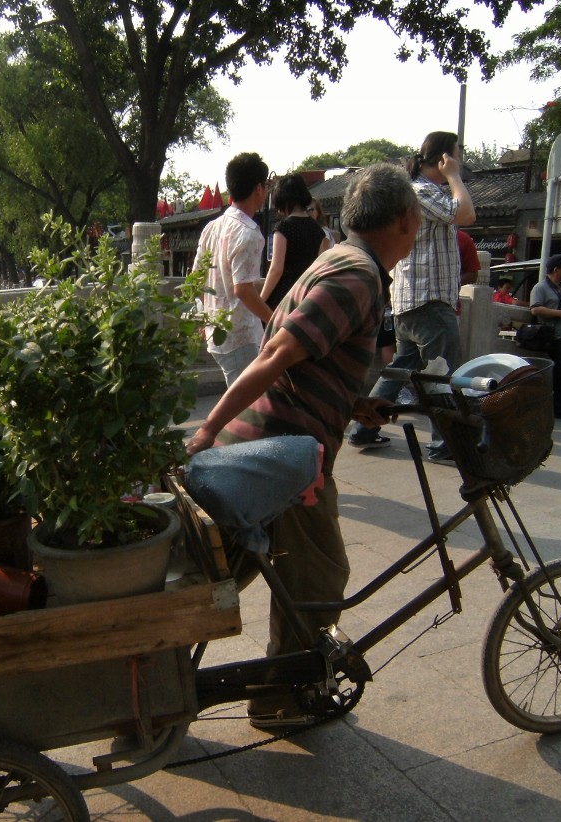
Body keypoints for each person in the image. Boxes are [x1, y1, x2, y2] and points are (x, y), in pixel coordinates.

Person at [185, 163, 419, 727]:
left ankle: (153, 687)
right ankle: (279, 700)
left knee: (214, 578)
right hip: (284, 459)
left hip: (272, 445)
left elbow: (309, 357)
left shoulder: (337, 261)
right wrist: (207, 429)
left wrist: (355, 402)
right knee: (317, 577)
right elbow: (275, 355)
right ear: (408, 222)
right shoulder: (357, 274)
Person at [346, 131, 475, 462]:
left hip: (412, 300)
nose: (459, 160)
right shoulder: (422, 190)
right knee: (442, 373)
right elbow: (465, 214)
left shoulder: (421, 190)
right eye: (456, 154)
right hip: (427, 300)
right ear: (444, 157)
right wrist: (455, 175)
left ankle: (364, 428)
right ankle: (446, 443)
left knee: (401, 369)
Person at [194, 153, 273, 386]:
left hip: (217, 333)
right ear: (258, 188)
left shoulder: (212, 227)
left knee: (242, 404)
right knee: (247, 411)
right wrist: (275, 320)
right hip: (241, 335)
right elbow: (243, 290)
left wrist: (205, 317)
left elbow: (197, 280)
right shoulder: (248, 233)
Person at [260, 174, 328, 311]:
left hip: (283, 297)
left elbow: (276, 270)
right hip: (306, 297)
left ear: (285, 201)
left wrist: (261, 300)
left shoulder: (284, 227)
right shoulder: (319, 231)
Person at [530, 254, 561, 421]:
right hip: (553, 335)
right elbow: (535, 310)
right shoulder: (541, 288)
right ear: (556, 269)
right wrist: (560, 314)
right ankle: (556, 408)